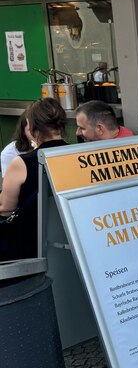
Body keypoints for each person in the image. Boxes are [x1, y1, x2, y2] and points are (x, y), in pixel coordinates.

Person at [0, 98, 68, 261]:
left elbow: (6, 209)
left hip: (29, 243)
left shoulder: (22, 162)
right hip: (70, 236)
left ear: (32, 128)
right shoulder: (77, 154)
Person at [1, 112, 30, 178]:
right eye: (31, 130)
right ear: (23, 131)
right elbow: (9, 184)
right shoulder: (9, 153)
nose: (37, 134)